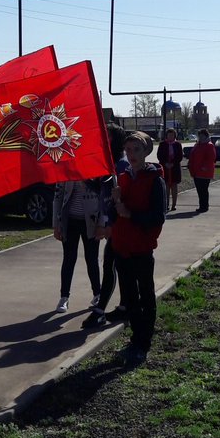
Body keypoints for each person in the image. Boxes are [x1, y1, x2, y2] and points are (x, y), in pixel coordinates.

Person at [109, 132, 166, 365]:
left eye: (136, 150)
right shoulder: (122, 178)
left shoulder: (155, 180)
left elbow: (157, 217)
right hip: (122, 247)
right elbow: (117, 214)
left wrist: (130, 214)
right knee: (130, 298)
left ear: (146, 152)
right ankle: (135, 339)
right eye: (128, 150)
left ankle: (143, 344)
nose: (131, 155)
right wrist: (114, 203)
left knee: (145, 297)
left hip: (141, 248)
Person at [81, 124, 130, 330]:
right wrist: (85, 178)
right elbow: (102, 190)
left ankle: (101, 311)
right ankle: (125, 307)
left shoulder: (120, 166)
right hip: (113, 225)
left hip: (121, 227)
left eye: (107, 136)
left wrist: (109, 226)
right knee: (117, 267)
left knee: (112, 267)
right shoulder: (109, 164)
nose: (103, 139)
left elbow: (119, 196)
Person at [52, 178, 103, 313]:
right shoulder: (66, 168)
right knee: (69, 259)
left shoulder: (96, 167)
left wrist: (102, 224)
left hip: (91, 221)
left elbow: (103, 196)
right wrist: (56, 225)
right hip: (70, 221)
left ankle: (98, 294)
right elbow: (58, 195)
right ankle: (64, 297)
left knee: (92, 259)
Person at [187, 129, 216, 213]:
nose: (200, 137)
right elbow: (193, 155)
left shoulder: (209, 145)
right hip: (196, 171)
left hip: (204, 172)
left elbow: (211, 158)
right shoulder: (197, 145)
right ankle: (202, 205)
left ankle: (204, 206)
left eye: (202, 135)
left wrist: (204, 166)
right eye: (199, 135)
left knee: (203, 190)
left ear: (206, 136)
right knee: (199, 190)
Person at [157, 128, 183, 212]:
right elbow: (159, 155)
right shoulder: (162, 144)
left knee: (174, 187)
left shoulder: (178, 145)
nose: (170, 136)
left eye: (172, 135)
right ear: (166, 136)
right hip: (165, 168)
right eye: (169, 135)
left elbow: (180, 156)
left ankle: (174, 205)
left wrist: (173, 163)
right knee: (166, 188)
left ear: (174, 136)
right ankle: (166, 204)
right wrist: (165, 163)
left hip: (174, 169)